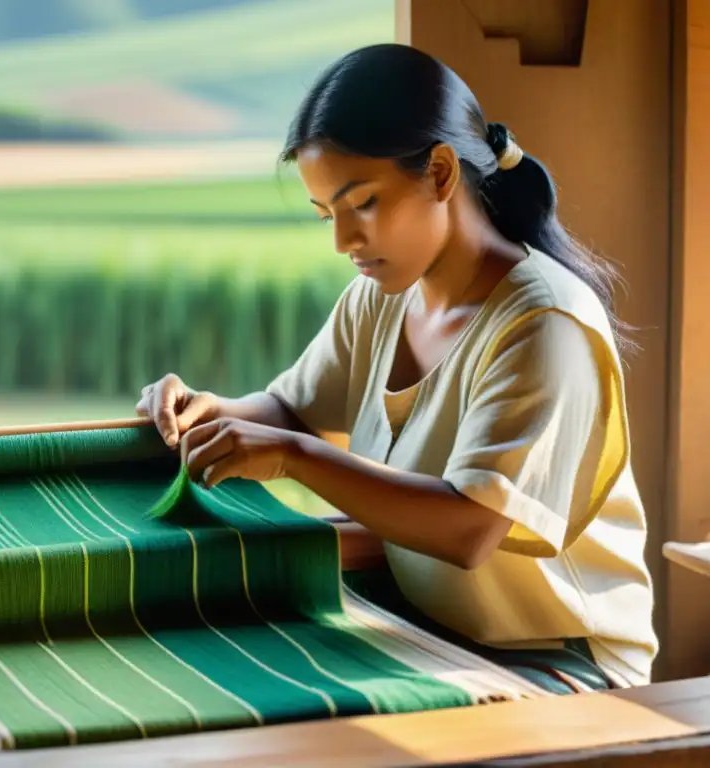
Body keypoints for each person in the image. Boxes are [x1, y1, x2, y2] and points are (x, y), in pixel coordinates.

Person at [135, 43, 657, 693]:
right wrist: (208, 411)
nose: (343, 242)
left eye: (364, 205)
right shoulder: (382, 299)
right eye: (328, 215)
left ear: (440, 173)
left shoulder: (545, 324)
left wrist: (294, 456)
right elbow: (293, 410)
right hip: (430, 625)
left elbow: (471, 527)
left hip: (559, 658)